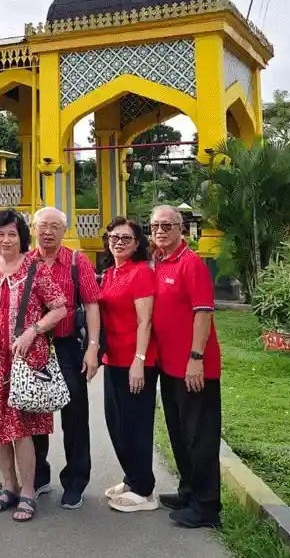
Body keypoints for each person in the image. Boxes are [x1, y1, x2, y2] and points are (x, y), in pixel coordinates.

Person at [0, 209, 67, 523]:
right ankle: (9, 486)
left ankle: (28, 490)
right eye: (0, 234)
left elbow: (60, 308)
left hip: (23, 361)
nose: (5, 240)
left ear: (21, 237)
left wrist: (33, 330)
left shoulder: (35, 268)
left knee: (21, 431)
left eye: (12, 234)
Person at [150, 205, 222, 529]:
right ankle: (189, 490)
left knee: (200, 437)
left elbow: (203, 313)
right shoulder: (158, 262)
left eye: (167, 225)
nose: (160, 231)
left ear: (181, 228)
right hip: (169, 367)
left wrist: (196, 358)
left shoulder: (190, 264)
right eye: (155, 226)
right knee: (179, 434)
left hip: (194, 367)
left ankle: (207, 507)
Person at [26, 206, 102, 509]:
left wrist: (93, 347)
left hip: (68, 347)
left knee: (75, 416)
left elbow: (93, 304)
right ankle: (38, 476)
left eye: (55, 226)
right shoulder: (25, 262)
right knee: (34, 414)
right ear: (33, 228)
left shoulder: (76, 261)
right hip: (34, 349)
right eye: (43, 225)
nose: (48, 231)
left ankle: (75, 481)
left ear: (64, 230)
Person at [98, 218, 160, 512]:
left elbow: (145, 321)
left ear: (137, 244)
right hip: (113, 359)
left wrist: (140, 360)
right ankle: (132, 477)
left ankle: (144, 489)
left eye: (126, 238)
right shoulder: (110, 273)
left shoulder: (140, 274)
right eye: (114, 236)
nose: (118, 242)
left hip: (136, 361)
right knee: (116, 423)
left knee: (136, 424)